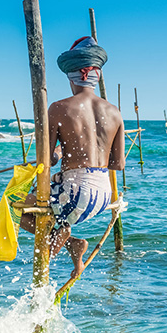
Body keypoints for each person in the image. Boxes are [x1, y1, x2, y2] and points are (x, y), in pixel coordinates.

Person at [20, 36, 125, 279]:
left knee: (16, 207)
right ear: (96, 76)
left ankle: (63, 241)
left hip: (77, 194)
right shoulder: (114, 112)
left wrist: (57, 157)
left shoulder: (59, 107)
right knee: (46, 203)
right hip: (103, 195)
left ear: (71, 76)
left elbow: (43, 158)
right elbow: (117, 164)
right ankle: (68, 240)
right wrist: (70, 156)